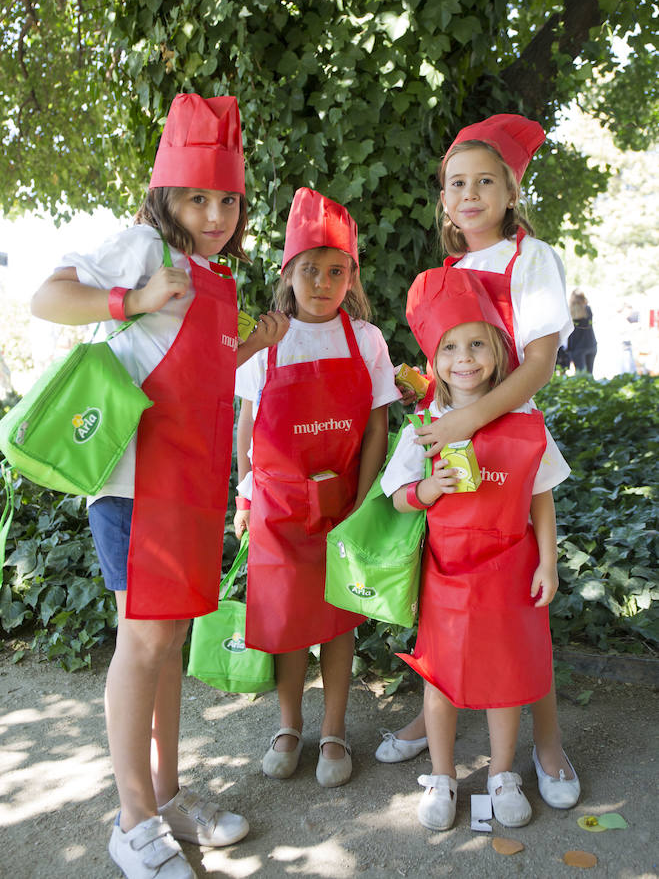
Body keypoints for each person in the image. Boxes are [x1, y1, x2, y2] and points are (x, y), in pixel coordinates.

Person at [30, 93, 288, 879]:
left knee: (169, 645)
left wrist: (252, 345)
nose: (214, 214)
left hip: (192, 484)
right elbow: (48, 296)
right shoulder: (142, 247)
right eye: (197, 197)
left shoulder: (216, 273)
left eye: (227, 200)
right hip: (136, 488)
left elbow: (188, 368)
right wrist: (131, 297)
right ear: (164, 195)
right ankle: (132, 818)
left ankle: (169, 798)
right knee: (141, 643)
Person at [376, 113, 580, 812]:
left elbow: (539, 364)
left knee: (519, 601)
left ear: (510, 191)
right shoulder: (452, 270)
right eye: (455, 183)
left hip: (509, 435)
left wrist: (467, 417)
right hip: (455, 440)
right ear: (442, 198)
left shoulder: (531, 259)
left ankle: (545, 741)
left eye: (484, 181)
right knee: (452, 596)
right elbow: (450, 364)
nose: (468, 195)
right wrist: (427, 399)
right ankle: (437, 711)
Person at [233, 187, 400, 788]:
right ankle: (288, 725)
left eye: (336, 271)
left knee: (336, 620)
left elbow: (378, 423)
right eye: (311, 271)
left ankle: (332, 730)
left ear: (352, 276)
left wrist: (362, 496)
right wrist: (245, 496)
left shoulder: (367, 341)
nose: (323, 283)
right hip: (278, 510)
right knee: (285, 624)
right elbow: (246, 427)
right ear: (289, 273)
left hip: (341, 509)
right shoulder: (266, 338)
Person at [566, 290, 597, 373]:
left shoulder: (569, 313)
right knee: (589, 374)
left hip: (577, 348)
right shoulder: (588, 310)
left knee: (581, 376)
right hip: (591, 345)